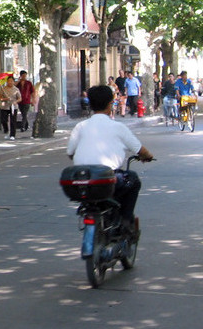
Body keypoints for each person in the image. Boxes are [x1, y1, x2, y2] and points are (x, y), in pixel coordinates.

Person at [66, 84, 154, 228]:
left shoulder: (80, 126)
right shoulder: (118, 127)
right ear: (110, 104)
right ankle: (126, 219)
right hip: (108, 179)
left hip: (82, 180)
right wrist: (148, 156)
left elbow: (70, 153)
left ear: (91, 104)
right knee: (133, 180)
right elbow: (140, 150)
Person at [0, 75, 21, 140]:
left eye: (11, 81)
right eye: (9, 81)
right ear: (7, 81)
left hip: (13, 106)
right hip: (5, 106)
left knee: (13, 121)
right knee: (3, 120)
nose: (10, 82)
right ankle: (6, 130)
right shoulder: (3, 89)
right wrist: (5, 99)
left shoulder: (16, 89)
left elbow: (19, 98)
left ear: (13, 82)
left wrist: (15, 102)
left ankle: (12, 135)